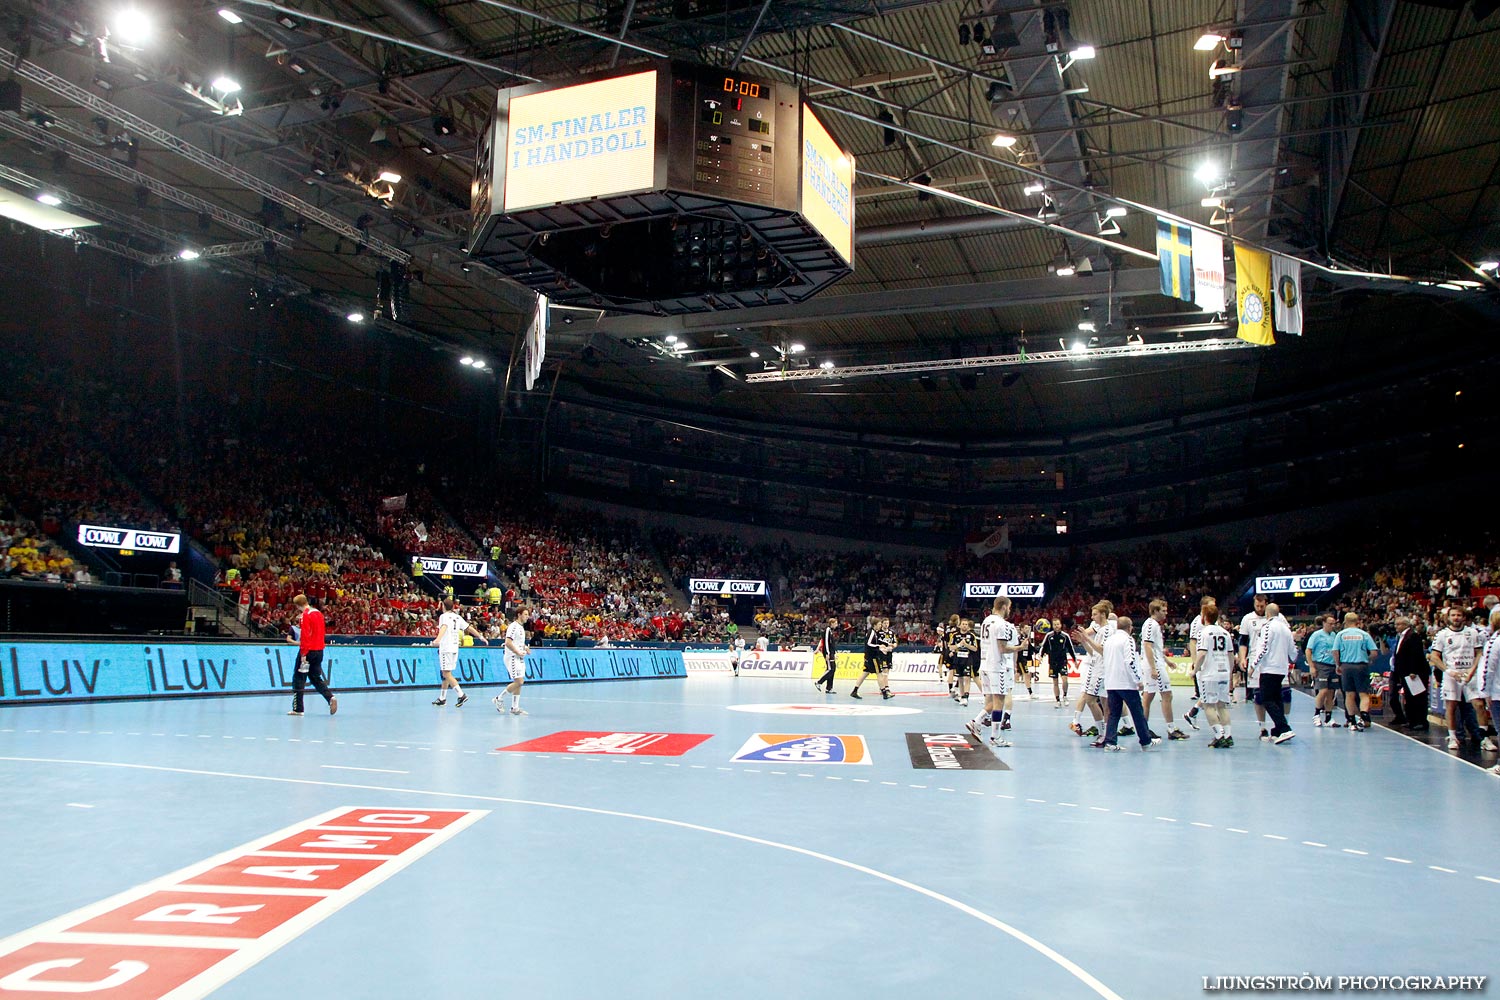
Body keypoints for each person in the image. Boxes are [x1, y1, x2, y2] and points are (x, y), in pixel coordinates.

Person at [1091, 616, 1152, 751]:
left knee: (1113, 714)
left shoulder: (1109, 640)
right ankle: (1146, 741)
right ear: (1129, 627)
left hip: (1111, 683)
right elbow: (1130, 661)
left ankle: (1110, 742)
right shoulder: (1128, 640)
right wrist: (1138, 680)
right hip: (1126, 683)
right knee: (1137, 712)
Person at [1428, 605, 1483, 750]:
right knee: (1451, 706)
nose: (1456, 618)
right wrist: (1448, 671)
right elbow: (1434, 656)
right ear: (1449, 617)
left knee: (1478, 704)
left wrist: (1472, 670)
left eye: (1459, 615)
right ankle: (1453, 737)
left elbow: (1479, 653)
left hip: (1469, 673)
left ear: (1464, 617)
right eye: (1453, 615)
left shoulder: (1473, 633)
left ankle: (1484, 737)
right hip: (1452, 675)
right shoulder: (1442, 634)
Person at [969, 596, 1021, 747]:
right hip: (996, 666)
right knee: (999, 701)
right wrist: (1020, 647)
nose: (1009, 610)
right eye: (1009, 607)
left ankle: (977, 722)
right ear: (1004, 607)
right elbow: (1003, 648)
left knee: (993, 700)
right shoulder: (1001, 624)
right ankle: (994, 736)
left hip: (984, 664)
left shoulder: (986, 621)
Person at [1141, 599, 1187, 740]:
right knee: (1167, 695)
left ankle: (1143, 728)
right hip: (1153, 665)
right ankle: (1171, 729)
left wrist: (1167, 660)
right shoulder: (1150, 625)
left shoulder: (1154, 625)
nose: (1166, 613)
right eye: (1163, 610)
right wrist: (1154, 668)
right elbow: (1147, 646)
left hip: (1156, 663)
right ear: (1155, 611)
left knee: (1148, 697)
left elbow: (1155, 648)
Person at [1250, 602, 1296, 743]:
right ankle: (1277, 731)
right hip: (1282, 668)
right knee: (1277, 698)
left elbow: (1263, 649)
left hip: (1269, 668)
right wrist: (1291, 661)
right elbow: (1293, 652)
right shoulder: (1285, 628)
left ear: (1267, 614)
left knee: (1267, 699)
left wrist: (1253, 665)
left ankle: (1284, 728)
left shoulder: (1268, 627)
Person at [1068, 602, 1114, 738]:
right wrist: (1083, 641)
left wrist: (1086, 637)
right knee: (1104, 703)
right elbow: (1094, 653)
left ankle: (1104, 733)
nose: (1092, 618)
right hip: (1098, 668)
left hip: (1102, 671)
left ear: (1103, 614)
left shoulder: (1107, 630)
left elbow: (1103, 650)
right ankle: (1106, 734)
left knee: (1090, 700)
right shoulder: (1101, 630)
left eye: (1095, 614)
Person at [1193, 605, 1236, 748]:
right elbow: (1230, 654)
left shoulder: (1204, 633)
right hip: (1223, 672)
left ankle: (1219, 735)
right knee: (1222, 706)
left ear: (1204, 617)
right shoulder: (1225, 633)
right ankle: (1228, 735)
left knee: (1208, 706)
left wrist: (1195, 670)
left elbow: (1202, 653)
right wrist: (1229, 671)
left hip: (1209, 674)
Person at [288, 594, 337, 717]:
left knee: (298, 679)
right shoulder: (318, 613)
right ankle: (330, 697)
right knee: (315, 678)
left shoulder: (305, 616)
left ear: (298, 605)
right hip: (319, 650)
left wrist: (304, 653)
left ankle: (298, 709)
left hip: (308, 650)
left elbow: (305, 635)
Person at [431, 598, 486, 707]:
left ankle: (461, 695)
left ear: (443, 606)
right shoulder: (457, 617)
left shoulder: (444, 617)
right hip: (455, 648)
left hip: (446, 647)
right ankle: (442, 698)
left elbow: (444, 627)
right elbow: (469, 628)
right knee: (447, 673)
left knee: (446, 673)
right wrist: (480, 636)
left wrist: (437, 639)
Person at [1334, 611, 1379, 732]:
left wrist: (1338, 665)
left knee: (1349, 694)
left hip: (1346, 666)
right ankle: (1364, 714)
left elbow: (1335, 651)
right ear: (1357, 621)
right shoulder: (1364, 634)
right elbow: (1374, 652)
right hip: (1361, 666)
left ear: (1345, 622)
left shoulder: (1341, 635)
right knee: (1363, 694)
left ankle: (1352, 721)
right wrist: (1367, 659)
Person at [1180, 595, 1218, 730]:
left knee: (1211, 692)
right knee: (1209, 693)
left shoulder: (1214, 620)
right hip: (1203, 661)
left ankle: (1193, 713)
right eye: (1211, 604)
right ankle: (1216, 725)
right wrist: (1195, 663)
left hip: (1213, 660)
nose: (1214, 607)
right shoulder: (1197, 621)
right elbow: (1193, 642)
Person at [1386, 614, 1429, 731]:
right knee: (1409, 697)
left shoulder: (1413, 636)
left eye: (1398, 624)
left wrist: (1413, 671)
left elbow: (1416, 654)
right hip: (1404, 672)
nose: (1395, 627)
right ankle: (1412, 720)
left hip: (1413, 672)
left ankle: (1421, 721)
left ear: (1405, 625)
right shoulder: (1401, 636)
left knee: (1418, 697)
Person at [1305, 614, 1342, 727]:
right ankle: (1316, 715)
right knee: (1323, 691)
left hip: (1332, 665)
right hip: (1321, 665)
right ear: (1324, 623)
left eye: (1334, 624)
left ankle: (1328, 718)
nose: (1332, 626)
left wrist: (1337, 665)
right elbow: (1308, 650)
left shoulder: (1334, 635)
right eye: (1330, 623)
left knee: (1331, 693)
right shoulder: (1316, 635)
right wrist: (1311, 666)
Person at [494, 603, 531, 715]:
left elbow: (518, 642)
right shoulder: (513, 627)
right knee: (519, 681)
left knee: (519, 682)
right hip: (512, 657)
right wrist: (517, 651)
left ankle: (515, 707)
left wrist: (525, 648)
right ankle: (499, 698)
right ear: (519, 615)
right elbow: (508, 642)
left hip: (519, 656)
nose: (527, 616)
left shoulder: (521, 627)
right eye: (525, 614)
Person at [1238, 594, 1269, 728]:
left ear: (1266, 604)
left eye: (1262, 606)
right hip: (1255, 659)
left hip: (1272, 661)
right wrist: (1242, 658)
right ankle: (1262, 727)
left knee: (1278, 694)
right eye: (1257, 606)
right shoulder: (1248, 619)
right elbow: (1243, 641)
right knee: (1258, 695)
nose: (1260, 608)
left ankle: (1280, 725)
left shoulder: (1276, 617)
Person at [852, 616, 895, 700]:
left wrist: (886, 644)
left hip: (869, 656)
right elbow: (869, 644)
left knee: (865, 673)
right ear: (875, 625)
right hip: (872, 657)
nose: (880, 626)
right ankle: (884, 693)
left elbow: (877, 641)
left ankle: (854, 691)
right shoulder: (871, 632)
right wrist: (879, 647)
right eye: (879, 624)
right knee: (879, 673)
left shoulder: (875, 632)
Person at [1041, 619, 1075, 707]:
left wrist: (1074, 658)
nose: (1056, 626)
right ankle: (1057, 700)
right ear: (1052, 626)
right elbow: (1043, 647)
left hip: (1062, 661)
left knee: (1065, 680)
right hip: (1052, 662)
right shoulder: (1049, 636)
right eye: (1055, 624)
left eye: (1058, 624)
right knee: (1055, 682)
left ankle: (1065, 696)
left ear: (1061, 625)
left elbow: (1071, 648)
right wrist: (1040, 656)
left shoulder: (1065, 636)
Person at [947, 617, 979, 707]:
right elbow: (950, 647)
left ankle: (966, 696)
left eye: (966, 624)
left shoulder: (971, 636)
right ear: (960, 625)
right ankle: (961, 696)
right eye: (963, 624)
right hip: (958, 659)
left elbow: (975, 648)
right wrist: (959, 645)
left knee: (967, 678)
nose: (964, 626)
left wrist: (966, 645)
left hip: (967, 658)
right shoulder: (955, 635)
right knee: (960, 678)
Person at [814, 616, 840, 693]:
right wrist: (828, 653)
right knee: (830, 669)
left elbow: (832, 644)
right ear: (831, 623)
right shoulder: (827, 630)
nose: (837, 625)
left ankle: (829, 688)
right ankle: (819, 682)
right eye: (835, 623)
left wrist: (834, 653)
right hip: (828, 652)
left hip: (831, 652)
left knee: (833, 669)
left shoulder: (831, 631)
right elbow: (825, 642)